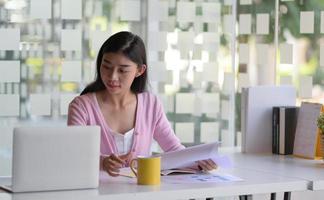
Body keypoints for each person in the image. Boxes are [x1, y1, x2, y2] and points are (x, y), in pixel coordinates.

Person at [67, 31, 217, 177]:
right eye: (106, 66)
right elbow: (74, 155)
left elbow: (173, 150)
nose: (112, 76)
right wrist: (102, 162)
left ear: (139, 70)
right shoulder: (81, 107)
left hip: (141, 193)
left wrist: (200, 162)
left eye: (122, 70)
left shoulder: (151, 105)